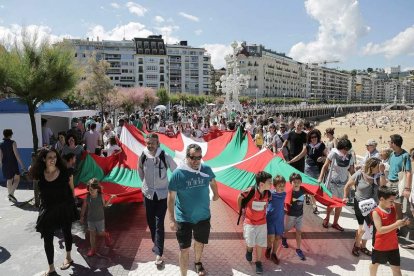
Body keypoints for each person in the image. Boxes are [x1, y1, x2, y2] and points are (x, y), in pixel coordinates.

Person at [167, 144, 219, 276]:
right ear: (187, 157)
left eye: (199, 157)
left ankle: (197, 262)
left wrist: (216, 194)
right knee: (184, 249)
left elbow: (212, 181)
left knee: (200, 243)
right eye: (193, 157)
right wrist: (172, 219)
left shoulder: (206, 169)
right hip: (184, 218)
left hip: (203, 216)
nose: (196, 161)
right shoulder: (178, 174)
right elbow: (171, 198)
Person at [31, 148, 77, 275]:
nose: (53, 160)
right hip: (48, 209)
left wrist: (72, 205)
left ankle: (68, 257)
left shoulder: (65, 172)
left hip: (64, 207)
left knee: (67, 231)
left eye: (55, 157)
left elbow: (72, 189)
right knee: (47, 238)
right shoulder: (40, 175)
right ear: (44, 159)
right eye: (50, 157)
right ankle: (51, 268)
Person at [138, 133, 177, 268]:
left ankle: (158, 253)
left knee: (159, 223)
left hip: (162, 195)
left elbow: (175, 170)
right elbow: (140, 171)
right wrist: (145, 184)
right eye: (148, 143)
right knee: (151, 222)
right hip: (148, 194)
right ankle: (157, 244)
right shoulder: (143, 155)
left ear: (157, 143)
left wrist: (171, 186)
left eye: (152, 143)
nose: (149, 145)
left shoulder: (164, 156)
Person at [343, 157, 386, 257]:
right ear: (371, 167)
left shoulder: (378, 176)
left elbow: (383, 187)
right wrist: (345, 197)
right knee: (362, 228)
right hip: (359, 204)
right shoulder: (360, 174)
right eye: (377, 167)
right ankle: (357, 245)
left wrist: (382, 172)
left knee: (369, 227)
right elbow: (347, 185)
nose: (379, 168)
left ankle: (363, 246)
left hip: (373, 206)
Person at [369, 186, 410, 276]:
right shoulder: (376, 212)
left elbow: (394, 224)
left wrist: (402, 223)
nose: (393, 203)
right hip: (380, 246)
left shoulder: (392, 209)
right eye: (391, 201)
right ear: (382, 199)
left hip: (393, 245)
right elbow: (380, 230)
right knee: (375, 264)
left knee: (396, 270)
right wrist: (396, 224)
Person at [237, 171, 272, 274]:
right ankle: (249, 250)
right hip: (250, 222)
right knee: (250, 242)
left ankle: (258, 262)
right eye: (269, 182)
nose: (271, 184)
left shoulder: (268, 193)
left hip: (262, 223)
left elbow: (267, 202)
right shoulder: (250, 191)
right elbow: (240, 197)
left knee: (261, 243)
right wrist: (241, 210)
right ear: (261, 184)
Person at [318, 138, 355, 231]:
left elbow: (351, 171)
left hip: (343, 185)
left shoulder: (350, 157)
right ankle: (327, 219)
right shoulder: (333, 153)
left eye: (348, 149)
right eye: (345, 149)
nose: (346, 151)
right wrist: (320, 178)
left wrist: (355, 181)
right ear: (340, 148)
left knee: (340, 204)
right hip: (332, 183)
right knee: (331, 203)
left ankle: (335, 223)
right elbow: (325, 166)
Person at [288, 129, 326, 214]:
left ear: (318, 137)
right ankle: (315, 206)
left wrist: (323, 158)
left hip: (318, 169)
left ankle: (308, 196)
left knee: (316, 187)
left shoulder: (322, 146)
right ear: (309, 138)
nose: (314, 139)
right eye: (312, 137)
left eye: (315, 137)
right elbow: (300, 156)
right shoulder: (308, 146)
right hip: (308, 168)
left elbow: (328, 157)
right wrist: (290, 161)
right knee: (311, 187)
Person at [80, 178, 116, 257]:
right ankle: (92, 249)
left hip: (100, 219)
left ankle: (106, 235)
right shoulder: (87, 197)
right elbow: (84, 207)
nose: (91, 191)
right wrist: (82, 217)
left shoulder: (101, 196)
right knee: (92, 234)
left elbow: (105, 205)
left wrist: (111, 198)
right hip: (91, 219)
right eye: (89, 189)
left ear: (97, 189)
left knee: (100, 233)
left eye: (93, 190)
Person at [281, 173, 307, 261]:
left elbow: (313, 192)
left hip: (300, 215)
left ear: (301, 182)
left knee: (299, 232)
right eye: (294, 182)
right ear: (291, 182)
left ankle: (298, 249)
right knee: (285, 230)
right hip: (291, 215)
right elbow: (284, 201)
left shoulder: (303, 190)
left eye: (298, 182)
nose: (296, 183)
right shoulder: (289, 192)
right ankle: (283, 238)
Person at [387, 134, 412, 220]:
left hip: (398, 183)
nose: (388, 143)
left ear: (394, 143)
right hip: (389, 183)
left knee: (397, 206)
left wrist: (407, 189)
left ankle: (398, 228)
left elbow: (409, 172)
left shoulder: (405, 155)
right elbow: (390, 166)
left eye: (389, 141)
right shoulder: (392, 154)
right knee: (390, 205)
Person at [0, 129, 26, 203]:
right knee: (17, 179)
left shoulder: (0, 143)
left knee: (9, 180)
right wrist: (22, 165)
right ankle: (11, 194)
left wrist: (1, 165)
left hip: (5, 164)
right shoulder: (13, 142)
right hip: (13, 164)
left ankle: (10, 196)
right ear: (10, 135)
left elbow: (0, 156)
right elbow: (17, 155)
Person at [265, 175, 286, 265]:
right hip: (271, 219)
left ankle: (274, 254)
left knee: (277, 238)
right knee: (271, 238)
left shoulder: (285, 194)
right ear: (274, 186)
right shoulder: (270, 193)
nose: (281, 188)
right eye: (279, 186)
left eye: (283, 186)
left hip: (279, 219)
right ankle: (268, 248)